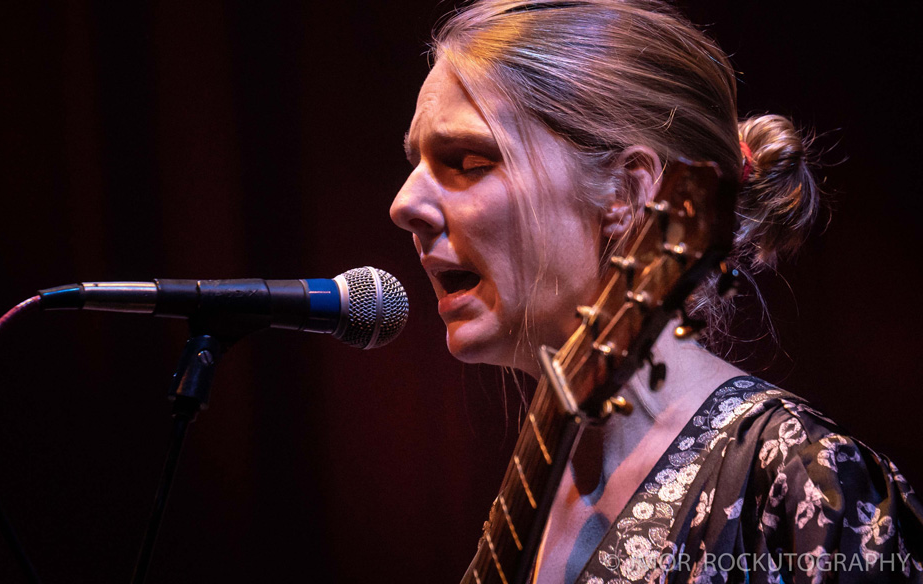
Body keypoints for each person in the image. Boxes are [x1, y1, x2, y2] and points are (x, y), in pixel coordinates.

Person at [388, 1, 923, 583]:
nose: (404, 205)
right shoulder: (531, 492)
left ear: (625, 191)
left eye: (467, 160)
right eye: (416, 161)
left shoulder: (807, 483)